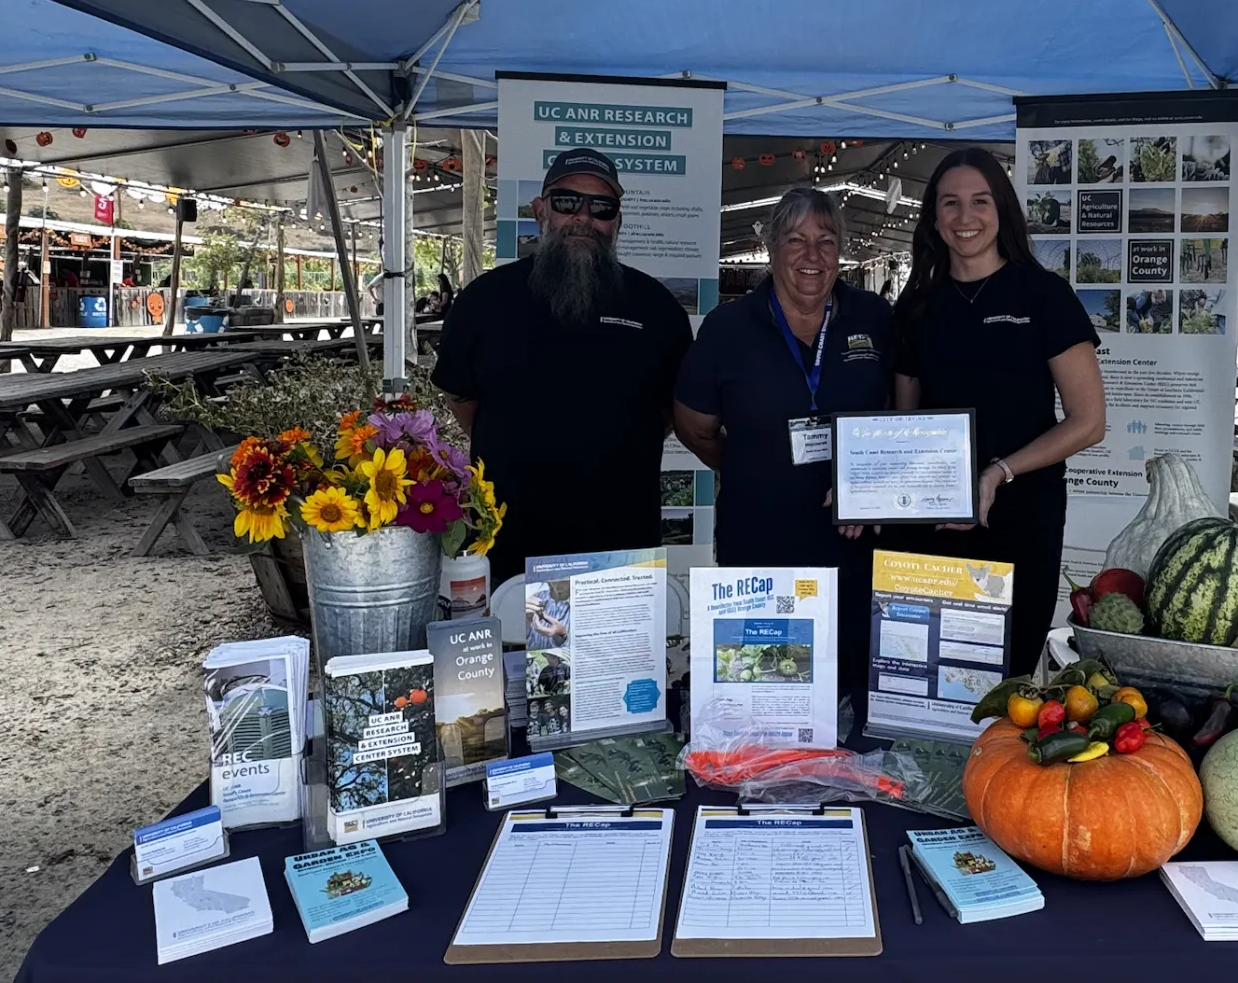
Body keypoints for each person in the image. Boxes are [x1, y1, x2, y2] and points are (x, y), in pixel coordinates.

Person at [674, 187, 895, 705]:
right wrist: (752, 467)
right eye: (795, 240)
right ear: (770, 248)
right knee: (767, 691)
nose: (812, 256)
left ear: (842, 249)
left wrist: (868, 482)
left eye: (826, 241)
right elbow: (693, 424)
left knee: (851, 690)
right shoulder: (730, 327)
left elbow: (899, 416)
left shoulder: (873, 318)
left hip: (854, 544)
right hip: (760, 541)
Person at [892, 147, 1107, 676]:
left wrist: (998, 472)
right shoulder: (917, 306)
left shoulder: (1044, 295)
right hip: (934, 524)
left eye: (980, 201)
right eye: (950, 204)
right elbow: (902, 426)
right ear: (934, 218)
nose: (966, 218)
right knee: (930, 674)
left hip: (1021, 516)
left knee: (1006, 678)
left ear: (1001, 209)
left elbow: (1089, 421)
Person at [434, 148, 691, 585]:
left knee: (618, 654)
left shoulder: (657, 308)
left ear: (618, 221)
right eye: (567, 202)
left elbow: (672, 410)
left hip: (621, 545)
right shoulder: (483, 301)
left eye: (602, 207)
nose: (584, 218)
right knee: (512, 651)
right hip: (509, 543)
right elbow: (462, 397)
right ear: (541, 211)